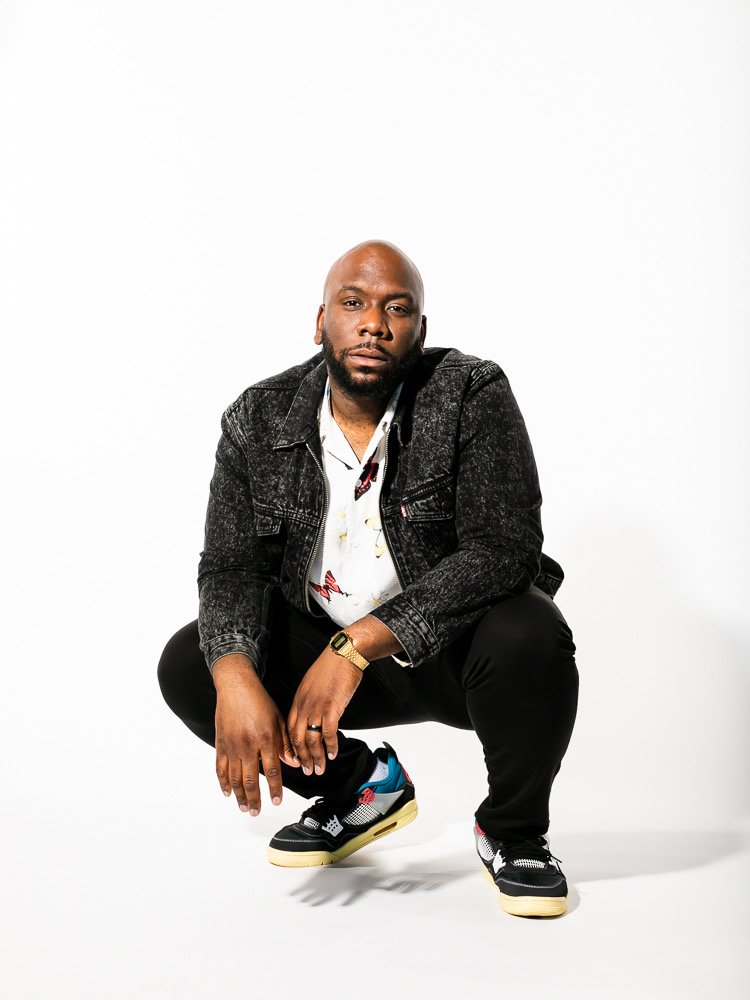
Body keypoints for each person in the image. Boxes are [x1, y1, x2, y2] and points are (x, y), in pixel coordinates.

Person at [157, 239, 579, 918]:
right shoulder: (257, 418)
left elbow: (505, 550)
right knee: (194, 661)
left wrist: (357, 645)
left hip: (452, 655)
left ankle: (514, 833)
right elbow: (231, 566)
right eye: (352, 303)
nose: (373, 322)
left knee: (532, 628)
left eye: (396, 308)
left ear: (420, 332)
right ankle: (360, 791)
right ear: (319, 321)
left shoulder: (470, 393)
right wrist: (236, 680)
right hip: (322, 659)